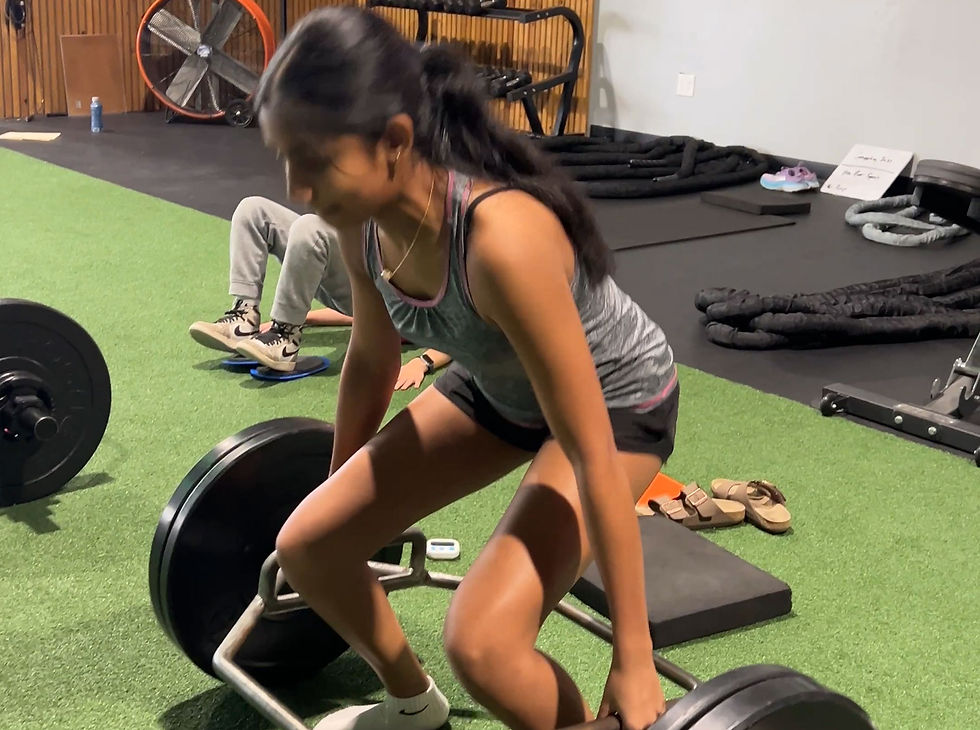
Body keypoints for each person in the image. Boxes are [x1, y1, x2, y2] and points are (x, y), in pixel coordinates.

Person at [256, 7, 678, 730]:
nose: (297, 187)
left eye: (315, 160)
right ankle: (413, 703)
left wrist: (633, 658)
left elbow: (592, 454)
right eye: (284, 158)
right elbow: (371, 357)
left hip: (615, 407)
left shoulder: (501, 241)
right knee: (308, 545)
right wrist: (344, 503)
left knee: (482, 644)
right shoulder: (360, 225)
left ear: (393, 141)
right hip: (497, 391)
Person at [187, 195, 449, 386]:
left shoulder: (453, 249)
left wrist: (423, 362)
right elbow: (359, 314)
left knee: (312, 227)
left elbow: (471, 333)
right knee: (252, 209)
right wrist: (307, 317)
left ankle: (286, 340)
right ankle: (245, 316)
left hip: (386, 301)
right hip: (366, 280)